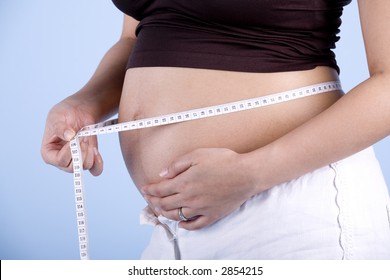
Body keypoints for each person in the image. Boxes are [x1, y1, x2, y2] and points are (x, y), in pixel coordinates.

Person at [41, 0, 390, 259]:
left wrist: (253, 173)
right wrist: (85, 102)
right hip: (174, 232)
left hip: (291, 205)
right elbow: (138, 37)